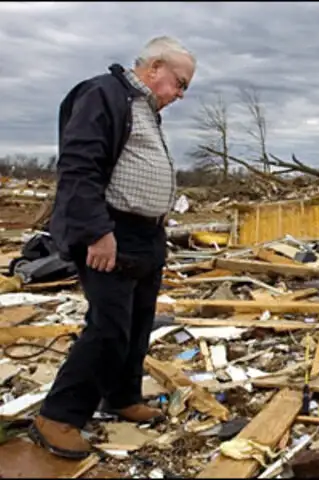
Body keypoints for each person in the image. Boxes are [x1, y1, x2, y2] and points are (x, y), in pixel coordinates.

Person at [29, 36, 197, 460]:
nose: (180, 94)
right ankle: (58, 416)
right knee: (108, 327)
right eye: (180, 83)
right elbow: (79, 166)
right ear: (155, 67)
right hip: (111, 230)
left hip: (145, 235)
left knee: (139, 322)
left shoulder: (144, 109)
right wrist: (97, 231)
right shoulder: (102, 95)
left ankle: (122, 396)